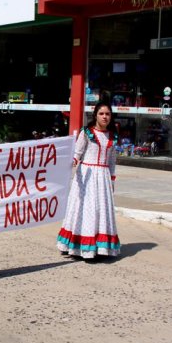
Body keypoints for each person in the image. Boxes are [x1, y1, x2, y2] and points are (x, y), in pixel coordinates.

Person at [57, 102, 120, 260]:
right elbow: (77, 152)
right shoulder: (86, 132)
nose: (105, 117)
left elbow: (112, 161)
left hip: (103, 177)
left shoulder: (112, 136)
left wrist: (112, 180)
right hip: (86, 175)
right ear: (95, 115)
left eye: (107, 114)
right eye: (101, 114)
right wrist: (73, 161)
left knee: (100, 211)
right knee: (84, 209)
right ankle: (77, 246)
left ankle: (99, 247)